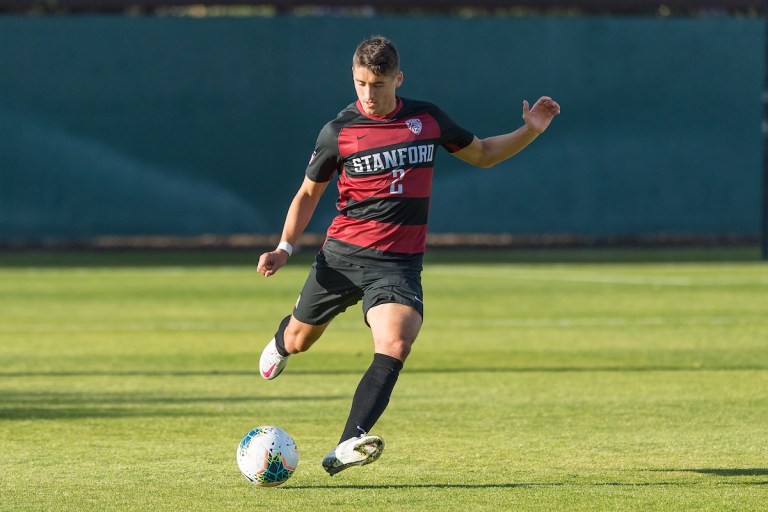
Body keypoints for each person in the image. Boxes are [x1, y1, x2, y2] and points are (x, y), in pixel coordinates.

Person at [256, 35, 560, 476]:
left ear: (398, 79)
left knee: (396, 342)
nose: (368, 94)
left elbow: (484, 154)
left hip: (397, 265)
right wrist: (285, 247)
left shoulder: (427, 119)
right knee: (300, 340)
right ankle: (282, 341)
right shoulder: (338, 132)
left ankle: (348, 442)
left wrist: (529, 130)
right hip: (341, 256)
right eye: (360, 83)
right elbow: (307, 193)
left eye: (378, 84)